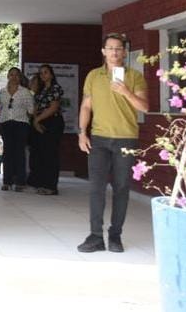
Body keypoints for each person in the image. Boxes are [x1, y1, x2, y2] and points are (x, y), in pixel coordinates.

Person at [77, 33, 148, 254]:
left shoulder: (135, 76)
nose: (114, 52)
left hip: (126, 138)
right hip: (98, 138)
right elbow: (86, 106)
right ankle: (95, 236)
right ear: (103, 51)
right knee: (96, 187)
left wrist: (126, 91)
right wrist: (82, 132)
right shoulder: (93, 76)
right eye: (110, 48)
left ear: (124, 52)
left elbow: (144, 107)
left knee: (121, 188)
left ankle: (115, 235)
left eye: (118, 48)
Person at [30, 64, 65, 196]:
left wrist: (37, 120)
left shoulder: (55, 88)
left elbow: (53, 107)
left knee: (51, 154)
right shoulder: (41, 89)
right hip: (39, 121)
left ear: (51, 74)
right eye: (41, 73)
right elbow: (35, 106)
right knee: (41, 153)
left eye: (45, 72)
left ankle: (51, 186)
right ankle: (42, 183)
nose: (43, 75)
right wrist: (35, 120)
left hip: (53, 121)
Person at [0, 66, 34, 191]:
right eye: (11, 74)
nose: (14, 77)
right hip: (6, 123)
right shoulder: (2, 92)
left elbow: (31, 110)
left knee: (19, 152)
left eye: (16, 75)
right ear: (8, 76)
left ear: (20, 78)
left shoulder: (25, 92)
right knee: (7, 152)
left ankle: (20, 181)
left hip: (21, 124)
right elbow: (0, 108)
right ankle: (7, 181)